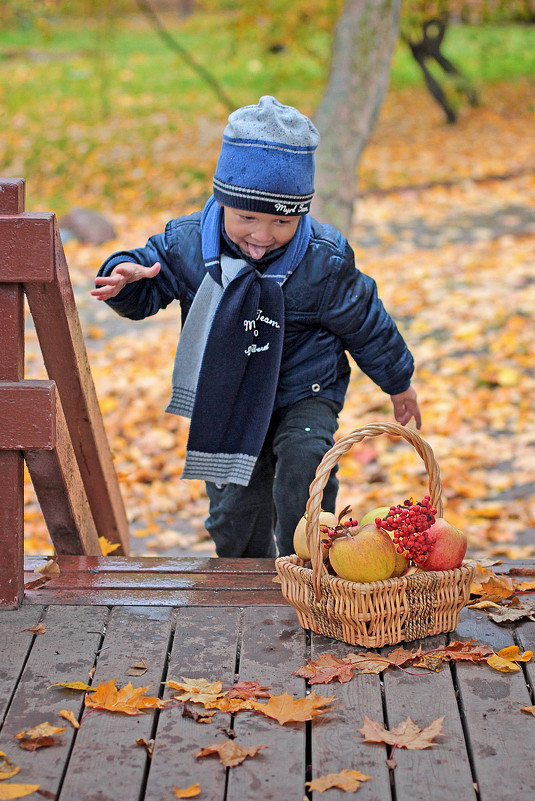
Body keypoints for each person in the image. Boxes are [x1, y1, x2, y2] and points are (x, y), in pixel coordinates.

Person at [92, 95, 421, 559]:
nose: (263, 236)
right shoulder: (187, 243)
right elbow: (148, 284)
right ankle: (245, 581)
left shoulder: (321, 259)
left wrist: (398, 381)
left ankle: (309, 564)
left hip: (303, 390)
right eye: (247, 217)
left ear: (301, 214)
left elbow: (365, 320)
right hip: (227, 393)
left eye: (282, 221)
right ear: (223, 201)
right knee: (234, 510)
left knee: (302, 469)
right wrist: (126, 277)